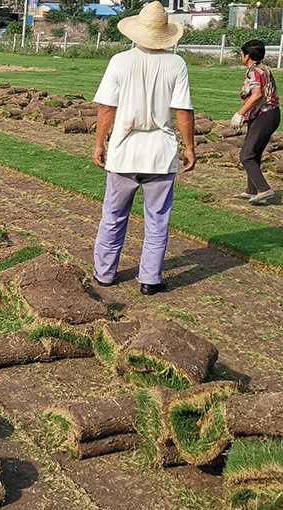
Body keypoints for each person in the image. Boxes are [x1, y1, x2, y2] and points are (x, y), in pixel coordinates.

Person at [91, 1, 195, 295]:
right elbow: (183, 111)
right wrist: (189, 146)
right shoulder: (176, 64)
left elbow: (107, 109)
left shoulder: (120, 61)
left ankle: (104, 273)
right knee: (157, 220)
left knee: (113, 216)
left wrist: (100, 143)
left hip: (125, 152)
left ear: (135, 33)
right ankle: (150, 279)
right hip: (160, 154)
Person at [231, 39, 281, 206]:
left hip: (265, 115)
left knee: (245, 155)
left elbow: (257, 95)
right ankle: (252, 190)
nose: (241, 56)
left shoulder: (254, 71)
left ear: (246, 56)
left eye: (241, 54)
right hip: (271, 115)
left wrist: (239, 113)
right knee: (254, 153)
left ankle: (264, 189)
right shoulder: (263, 67)